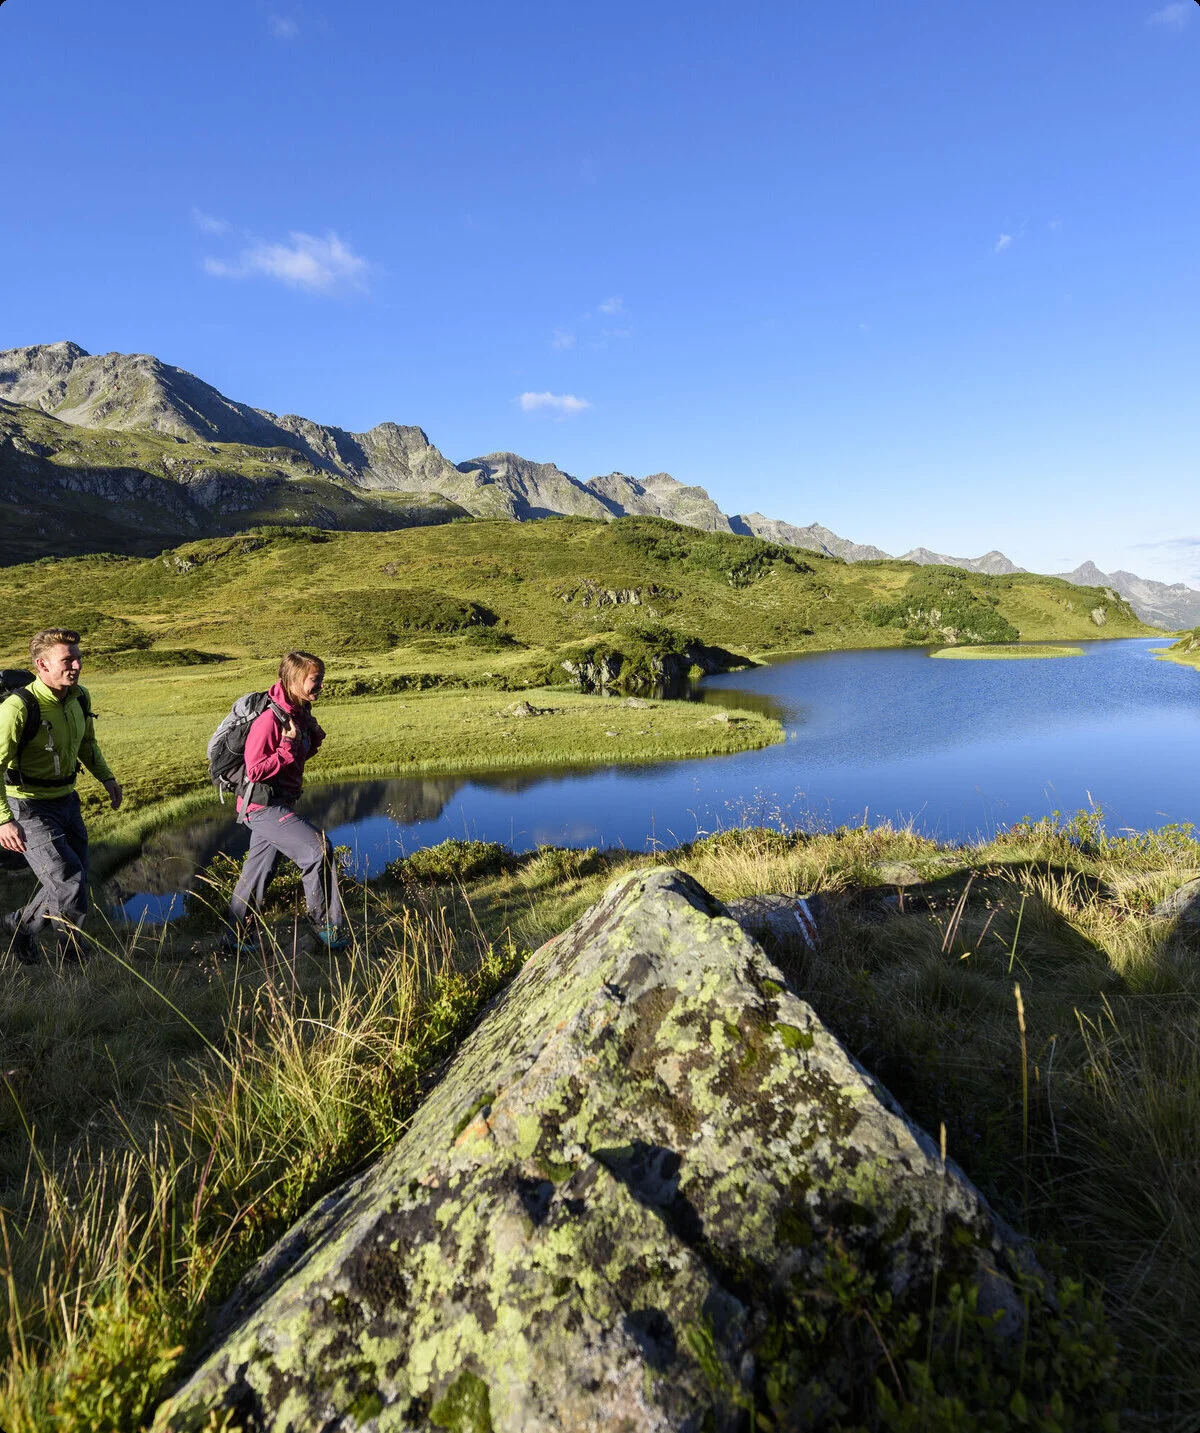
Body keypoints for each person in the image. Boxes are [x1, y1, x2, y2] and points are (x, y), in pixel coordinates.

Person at [0, 628, 122, 963]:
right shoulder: (18, 708)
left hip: (67, 801)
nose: (77, 665)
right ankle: (72, 951)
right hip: (28, 807)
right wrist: (4, 821)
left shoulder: (80, 696)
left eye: (78, 657)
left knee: (74, 880)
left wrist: (106, 778)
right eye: (67, 659)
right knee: (69, 880)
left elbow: (87, 744)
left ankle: (17, 927)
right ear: (42, 663)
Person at [226, 650, 346, 951]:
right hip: (263, 806)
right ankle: (325, 929)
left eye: (321, 680)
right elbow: (254, 770)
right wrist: (290, 744)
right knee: (319, 850)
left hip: (277, 803)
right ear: (293, 681)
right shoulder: (270, 720)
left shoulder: (298, 713)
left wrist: (311, 738)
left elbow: (293, 760)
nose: (320, 687)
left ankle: (235, 938)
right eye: (315, 681)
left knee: (257, 873)